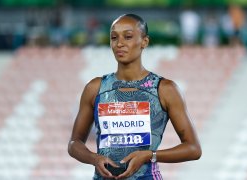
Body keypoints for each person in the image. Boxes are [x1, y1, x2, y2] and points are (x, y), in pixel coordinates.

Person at [68, 14, 202, 180]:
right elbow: (74, 144)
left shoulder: (164, 89)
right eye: (114, 37)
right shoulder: (95, 88)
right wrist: (94, 158)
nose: (119, 43)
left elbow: (193, 148)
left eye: (128, 37)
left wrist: (149, 155)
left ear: (144, 42)